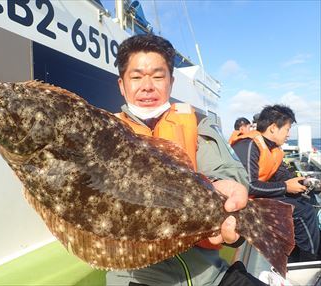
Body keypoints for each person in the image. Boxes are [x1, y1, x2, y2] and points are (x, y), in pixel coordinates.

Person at [107, 34, 265, 286]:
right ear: (122, 85)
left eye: (158, 76)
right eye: (136, 77)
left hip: (209, 272)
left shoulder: (197, 122)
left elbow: (224, 170)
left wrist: (222, 186)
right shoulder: (106, 132)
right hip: (136, 272)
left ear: (171, 81)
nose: (147, 86)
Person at [231, 104, 320, 262]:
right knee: (304, 211)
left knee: (307, 200)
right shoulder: (249, 145)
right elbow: (248, 185)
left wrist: (307, 183)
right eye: (287, 129)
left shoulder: (273, 149)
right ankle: (310, 261)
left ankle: (296, 253)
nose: (288, 135)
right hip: (243, 202)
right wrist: (286, 186)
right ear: (273, 128)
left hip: (257, 196)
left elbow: (283, 174)